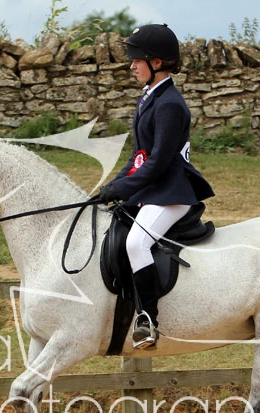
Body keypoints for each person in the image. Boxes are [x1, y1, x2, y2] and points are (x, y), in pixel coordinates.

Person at [99, 24, 214, 349]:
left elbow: (159, 162)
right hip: (154, 189)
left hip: (171, 192)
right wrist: (114, 185)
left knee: (136, 243)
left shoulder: (170, 105)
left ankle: (148, 320)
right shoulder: (151, 97)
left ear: (157, 62)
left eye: (137, 60)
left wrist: (123, 189)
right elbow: (139, 156)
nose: (131, 66)